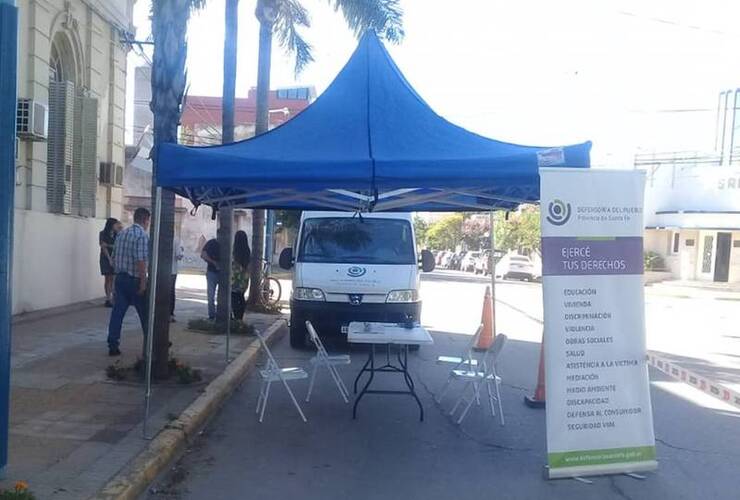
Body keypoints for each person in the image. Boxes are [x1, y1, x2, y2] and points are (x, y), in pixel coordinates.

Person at [107, 208, 150, 356]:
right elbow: (141, 261)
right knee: (145, 313)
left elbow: (113, 259)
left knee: (117, 312)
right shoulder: (142, 236)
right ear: (145, 220)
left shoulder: (122, 234)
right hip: (135, 279)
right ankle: (152, 341)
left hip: (120, 278)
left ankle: (113, 343)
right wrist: (144, 282)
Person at [99, 218, 121, 307]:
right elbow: (102, 246)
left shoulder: (118, 234)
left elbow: (118, 246)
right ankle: (108, 298)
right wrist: (109, 259)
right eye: (115, 224)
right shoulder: (103, 233)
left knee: (113, 278)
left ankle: (113, 297)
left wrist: (108, 245)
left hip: (115, 257)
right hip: (105, 258)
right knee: (107, 278)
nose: (117, 226)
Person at [231, 231, 251, 321]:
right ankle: (240, 317)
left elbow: (232, 264)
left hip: (235, 277)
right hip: (244, 277)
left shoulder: (234, 250)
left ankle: (236, 316)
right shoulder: (247, 251)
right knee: (241, 296)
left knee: (234, 297)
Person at [201, 237, 220, 320]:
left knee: (212, 294)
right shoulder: (211, 243)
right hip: (212, 272)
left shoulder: (228, 242)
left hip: (217, 273)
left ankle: (215, 315)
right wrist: (213, 262)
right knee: (211, 295)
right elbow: (203, 255)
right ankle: (212, 315)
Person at [170, 237, 184, 323]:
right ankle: (170, 314)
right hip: (172, 271)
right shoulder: (175, 240)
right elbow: (179, 256)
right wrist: (182, 251)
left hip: (158, 271)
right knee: (171, 293)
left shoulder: (157, 237)